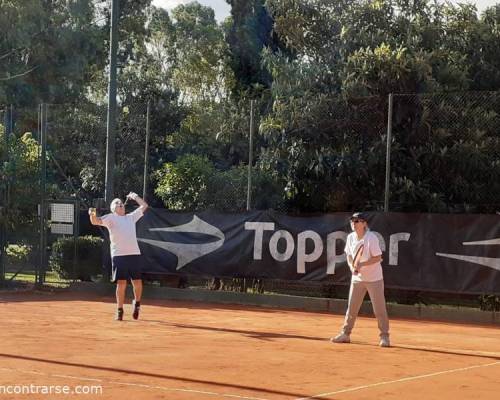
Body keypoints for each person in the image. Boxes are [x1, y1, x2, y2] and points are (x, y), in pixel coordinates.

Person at [331, 212, 390, 347]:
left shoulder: (371, 238)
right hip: (357, 279)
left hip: (374, 279)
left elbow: (378, 257)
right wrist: (352, 267)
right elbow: (349, 255)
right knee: (352, 308)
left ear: (364, 224)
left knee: (379, 309)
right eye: (352, 221)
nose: (354, 223)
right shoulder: (351, 237)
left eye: (357, 221)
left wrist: (362, 264)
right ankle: (345, 334)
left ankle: (384, 337)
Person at [89, 192, 148, 321]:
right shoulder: (110, 218)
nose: (120, 204)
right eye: (117, 203)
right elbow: (95, 221)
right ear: (113, 208)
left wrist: (135, 196)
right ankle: (120, 310)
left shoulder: (131, 217)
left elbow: (144, 206)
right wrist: (92, 212)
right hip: (119, 255)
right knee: (121, 284)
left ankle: (137, 304)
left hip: (134, 254)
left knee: (137, 282)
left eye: (121, 203)